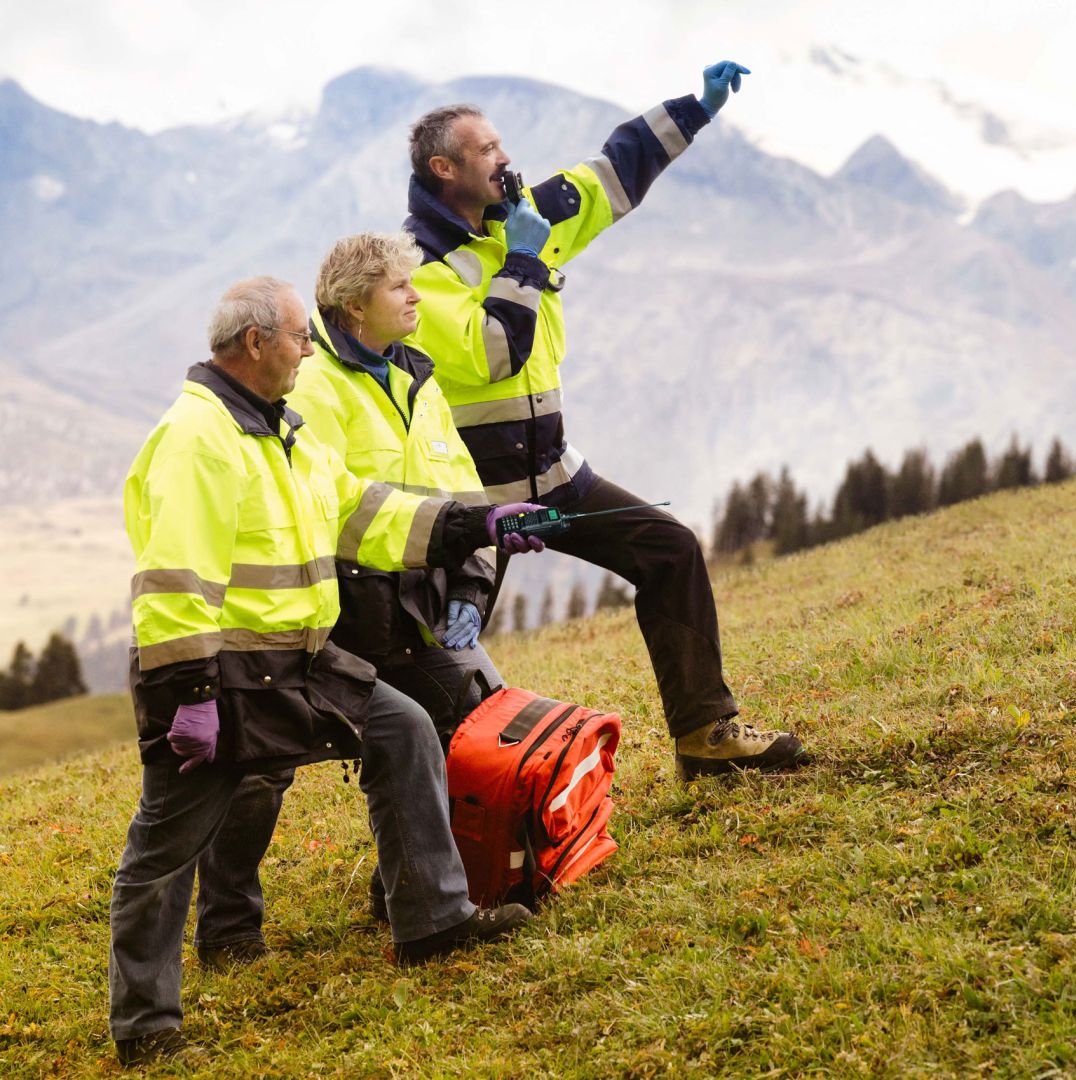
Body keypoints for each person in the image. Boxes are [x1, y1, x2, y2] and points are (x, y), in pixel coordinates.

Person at [110, 276, 543, 1067]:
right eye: (299, 339)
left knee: (404, 730)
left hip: (303, 664)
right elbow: (172, 584)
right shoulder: (197, 439)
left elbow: (363, 511)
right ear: (255, 344)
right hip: (221, 679)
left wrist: (472, 524)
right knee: (165, 845)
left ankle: (433, 922)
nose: (311, 350)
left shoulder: (287, 431)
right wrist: (192, 698)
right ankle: (145, 1025)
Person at [402, 61, 806, 779]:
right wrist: (522, 258)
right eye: (488, 150)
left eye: (502, 145)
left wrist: (698, 106)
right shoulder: (418, 270)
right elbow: (493, 354)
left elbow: (614, 169)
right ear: (444, 168)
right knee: (443, 663)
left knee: (669, 552)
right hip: (478, 508)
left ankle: (705, 738)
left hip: (554, 476)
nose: (505, 158)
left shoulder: (525, 211)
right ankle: (433, 847)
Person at [191, 234, 506, 966]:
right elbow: (319, 511)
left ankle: (412, 893)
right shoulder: (312, 387)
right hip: (332, 616)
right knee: (261, 763)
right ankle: (228, 928)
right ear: (355, 304)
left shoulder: (420, 381)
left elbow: (458, 490)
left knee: (467, 715)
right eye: (400, 286)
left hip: (418, 607)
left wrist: (470, 580)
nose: (416, 296)